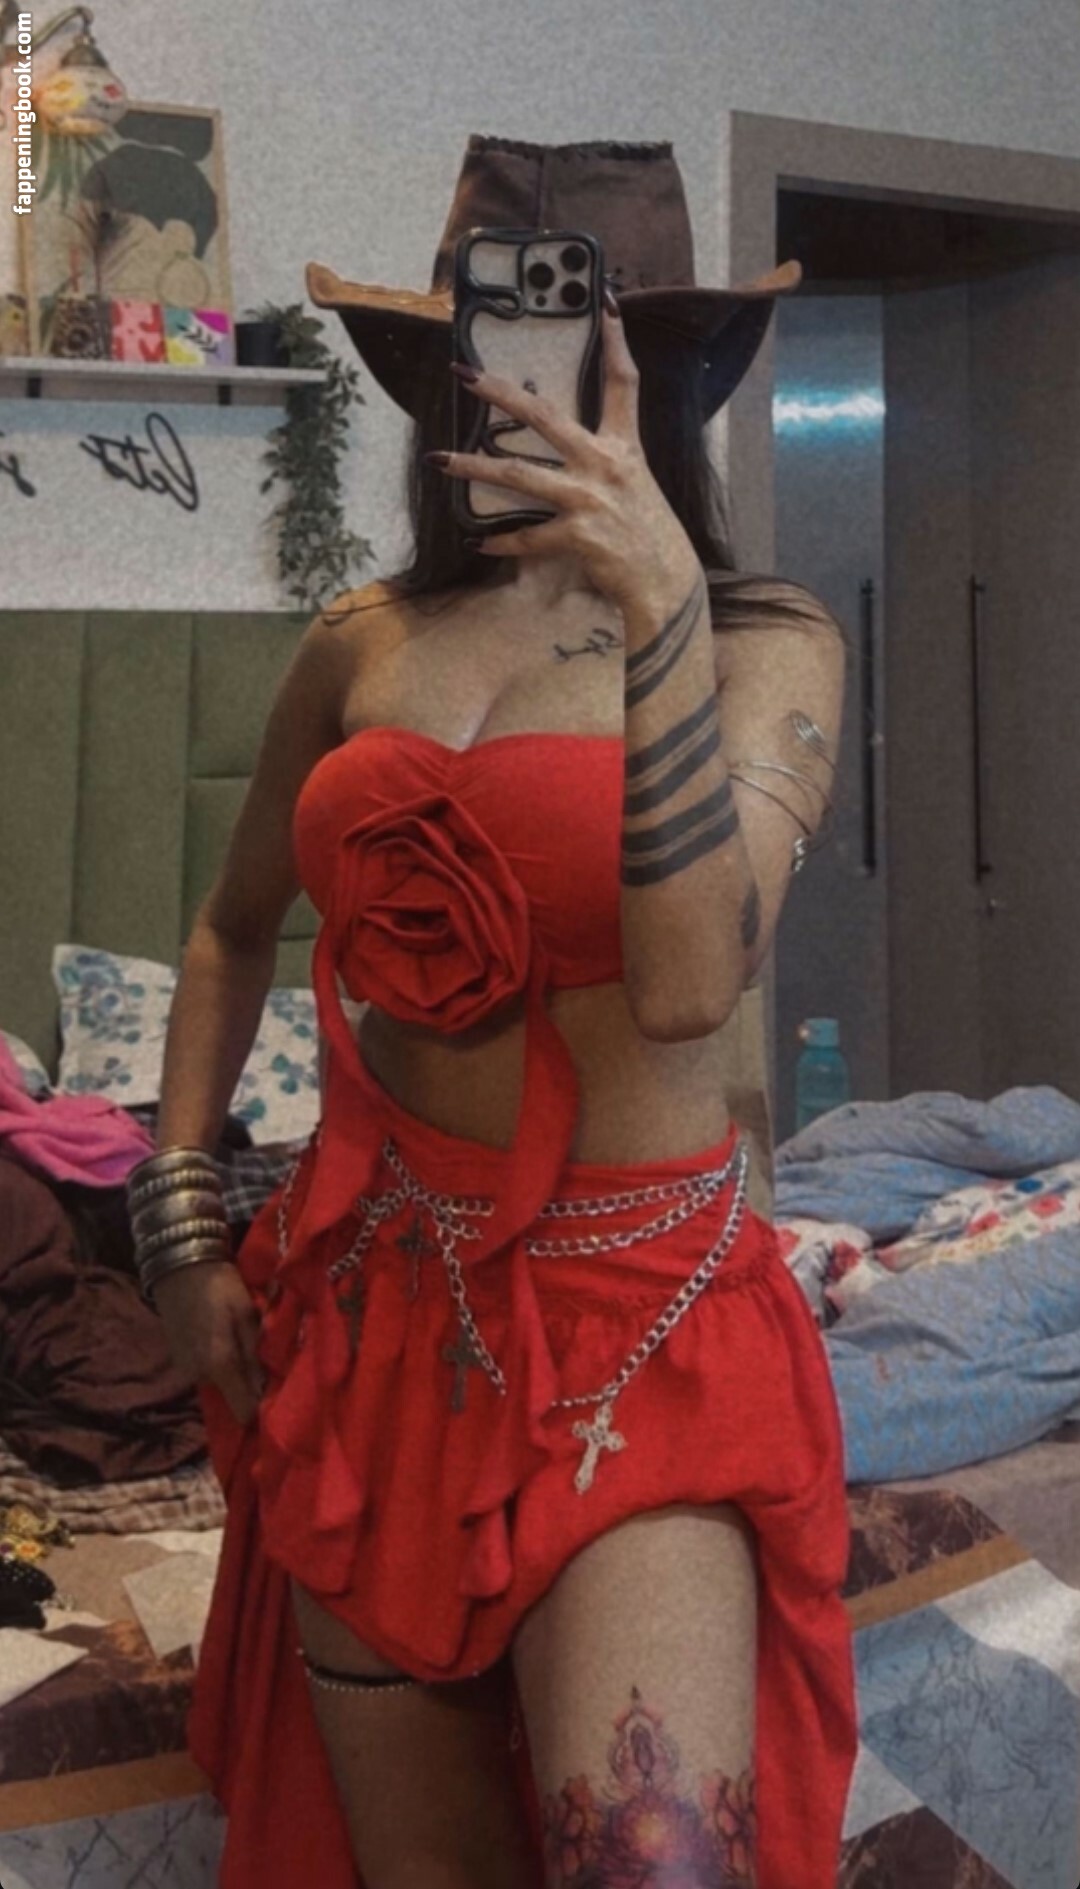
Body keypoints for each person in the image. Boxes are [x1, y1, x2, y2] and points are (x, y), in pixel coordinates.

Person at [125, 135, 857, 1889]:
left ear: (661, 372)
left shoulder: (764, 640)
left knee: (653, 1860)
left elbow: (687, 982)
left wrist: (656, 599)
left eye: (589, 340)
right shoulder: (361, 637)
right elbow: (230, 928)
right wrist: (178, 1213)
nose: (534, 384)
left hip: (643, 1327)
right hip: (375, 1328)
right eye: (499, 333)